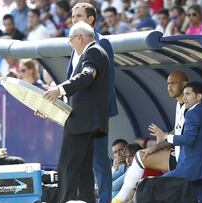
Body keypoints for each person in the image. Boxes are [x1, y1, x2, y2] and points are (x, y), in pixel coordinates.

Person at [43, 21, 109, 203]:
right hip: (87, 122)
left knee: (67, 169)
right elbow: (81, 93)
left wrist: (59, 89)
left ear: (79, 38)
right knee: (83, 171)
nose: (71, 45)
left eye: (71, 40)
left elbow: (87, 75)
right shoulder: (93, 52)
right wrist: (49, 105)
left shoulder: (93, 51)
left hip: (82, 123)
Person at [112, 71, 189, 203]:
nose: (169, 87)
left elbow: (182, 135)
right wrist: (162, 139)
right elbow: (177, 130)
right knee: (141, 158)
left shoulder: (190, 106)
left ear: (184, 84)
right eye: (168, 83)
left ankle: (119, 200)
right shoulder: (179, 104)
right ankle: (118, 200)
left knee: (142, 165)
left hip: (185, 158)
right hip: (177, 154)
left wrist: (161, 141)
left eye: (173, 83)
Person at [70, 3, 118, 203]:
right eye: (73, 16)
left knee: (99, 161)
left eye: (79, 16)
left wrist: (101, 112)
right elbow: (72, 78)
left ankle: (105, 200)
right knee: (82, 161)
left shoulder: (102, 43)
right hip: (78, 114)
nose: (74, 20)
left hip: (96, 115)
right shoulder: (74, 43)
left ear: (91, 19)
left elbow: (107, 80)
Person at [149, 81, 202, 203]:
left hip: (190, 169)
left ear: (199, 97)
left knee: (154, 186)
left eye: (188, 94)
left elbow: (189, 139)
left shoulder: (193, 113)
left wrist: (166, 136)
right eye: (183, 94)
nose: (184, 97)